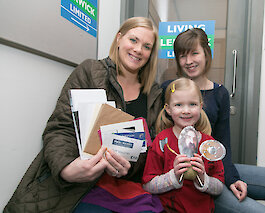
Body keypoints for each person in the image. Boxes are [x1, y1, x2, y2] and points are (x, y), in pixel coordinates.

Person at [4, 17, 164, 213]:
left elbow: (152, 148)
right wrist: (66, 168)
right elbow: (60, 128)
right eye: (133, 40)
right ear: (119, 38)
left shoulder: (153, 95)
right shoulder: (90, 71)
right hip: (81, 185)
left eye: (147, 46)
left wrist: (129, 167)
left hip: (127, 186)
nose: (139, 49)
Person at [161, 28, 265, 213]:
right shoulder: (169, 89)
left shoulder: (220, 93)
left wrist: (232, 178)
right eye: (182, 56)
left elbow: (223, 143)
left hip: (215, 169)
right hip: (188, 177)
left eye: (194, 53)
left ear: (206, 54)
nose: (188, 61)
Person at [142, 78, 225, 213]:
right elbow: (148, 186)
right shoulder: (162, 142)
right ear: (168, 109)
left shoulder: (208, 145)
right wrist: (173, 176)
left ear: (201, 106)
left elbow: (219, 187)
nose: (186, 110)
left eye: (192, 104)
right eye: (178, 105)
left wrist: (203, 178)